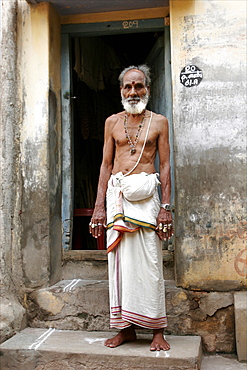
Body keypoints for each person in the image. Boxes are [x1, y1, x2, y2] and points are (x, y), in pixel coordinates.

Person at [89, 65, 173, 351]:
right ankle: (125, 329)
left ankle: (157, 330)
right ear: (121, 90)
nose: (133, 91)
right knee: (120, 266)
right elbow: (106, 165)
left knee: (150, 262)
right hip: (118, 199)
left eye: (138, 85)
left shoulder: (160, 122)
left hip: (147, 199)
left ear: (147, 88)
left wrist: (166, 207)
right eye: (128, 86)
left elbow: (164, 165)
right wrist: (98, 207)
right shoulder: (112, 122)